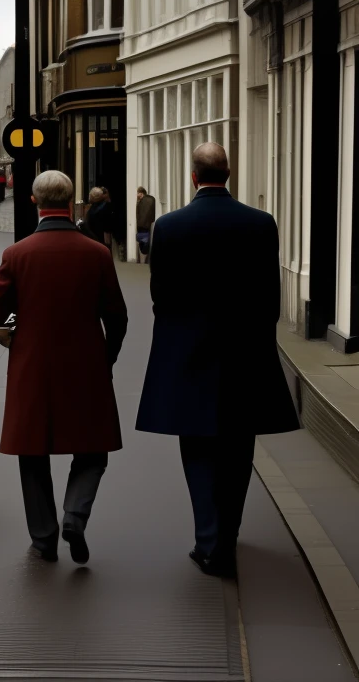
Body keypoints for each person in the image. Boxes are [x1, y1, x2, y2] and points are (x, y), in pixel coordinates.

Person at [136, 143, 299, 577]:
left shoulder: (169, 226)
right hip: (245, 352)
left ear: (193, 177)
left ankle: (210, 542)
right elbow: (270, 296)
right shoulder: (261, 223)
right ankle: (228, 532)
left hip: (189, 351)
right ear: (228, 174)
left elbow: (160, 294)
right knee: (239, 447)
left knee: (198, 446)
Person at [0, 169, 127, 565]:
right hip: (86, 365)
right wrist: (107, 358)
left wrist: (13, 332)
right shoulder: (96, 254)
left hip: (32, 365)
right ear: (70, 202)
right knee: (93, 449)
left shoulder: (17, 254)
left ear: (33, 202)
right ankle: (75, 515)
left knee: (32, 452)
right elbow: (117, 316)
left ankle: (44, 537)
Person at [135, 186, 156, 263]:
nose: (137, 195)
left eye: (137, 193)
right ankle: (144, 258)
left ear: (141, 193)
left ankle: (142, 259)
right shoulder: (151, 199)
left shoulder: (140, 202)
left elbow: (139, 214)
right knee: (145, 240)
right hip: (147, 224)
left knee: (142, 241)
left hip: (141, 225)